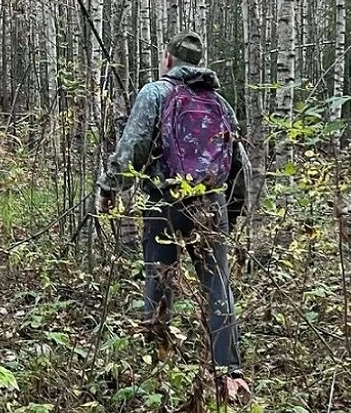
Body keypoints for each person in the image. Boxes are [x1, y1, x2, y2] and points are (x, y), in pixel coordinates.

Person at [94, 31, 250, 386]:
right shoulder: (219, 103)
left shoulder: (155, 93)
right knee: (217, 284)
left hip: (164, 200)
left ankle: (157, 365)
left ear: (168, 59)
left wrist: (109, 187)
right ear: (197, 63)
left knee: (159, 280)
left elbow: (132, 147)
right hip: (210, 203)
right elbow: (239, 162)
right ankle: (229, 372)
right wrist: (230, 210)